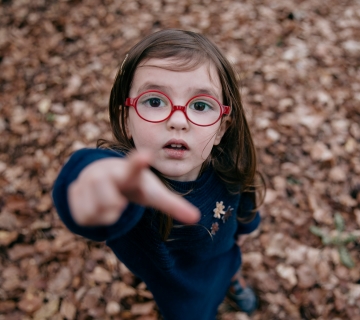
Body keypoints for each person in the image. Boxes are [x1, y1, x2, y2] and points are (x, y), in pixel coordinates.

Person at [52, 29, 265, 320]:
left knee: (230, 266)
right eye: (154, 101)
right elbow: (94, 175)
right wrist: (88, 180)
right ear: (127, 120)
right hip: (181, 294)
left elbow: (244, 197)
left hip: (225, 256)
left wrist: (246, 228)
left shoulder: (226, 164)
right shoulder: (130, 193)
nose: (178, 120)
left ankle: (233, 282)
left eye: (201, 105)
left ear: (222, 129)